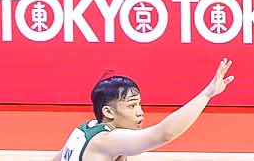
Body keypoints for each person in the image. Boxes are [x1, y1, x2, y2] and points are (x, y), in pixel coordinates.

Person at [59, 61, 233, 160]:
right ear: (108, 112)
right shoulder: (108, 140)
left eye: (139, 104)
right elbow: (164, 134)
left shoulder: (84, 129)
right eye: (132, 105)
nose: (140, 112)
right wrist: (207, 94)